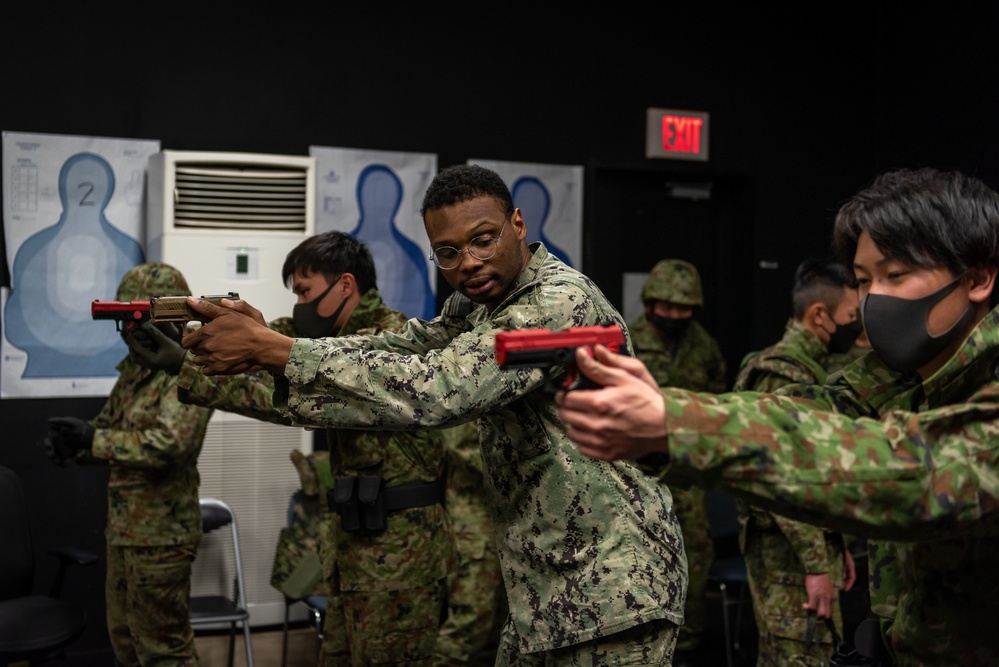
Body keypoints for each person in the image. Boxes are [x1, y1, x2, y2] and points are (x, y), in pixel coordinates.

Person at [181, 163, 687, 664]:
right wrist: (277, 343)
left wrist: (280, 353)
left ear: (518, 225)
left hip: (614, 585)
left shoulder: (556, 302)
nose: (467, 262)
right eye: (448, 252)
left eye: (483, 240)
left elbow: (438, 389)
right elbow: (406, 348)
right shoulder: (480, 305)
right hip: (550, 587)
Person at [555, 167, 999, 666]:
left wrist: (675, 422)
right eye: (862, 281)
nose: (872, 299)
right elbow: (812, 412)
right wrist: (663, 419)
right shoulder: (905, 376)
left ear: (978, 278)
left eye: (894, 276)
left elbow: (919, 473)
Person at [133, 231, 455, 665]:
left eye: (305, 291)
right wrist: (190, 338)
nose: (299, 304)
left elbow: (297, 400)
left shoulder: (388, 340)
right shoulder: (325, 340)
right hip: (355, 548)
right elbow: (265, 350)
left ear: (345, 286)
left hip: (401, 557)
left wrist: (186, 363)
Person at [44, 262, 212, 667]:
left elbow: (172, 444)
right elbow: (109, 429)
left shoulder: (186, 369)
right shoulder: (136, 371)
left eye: (136, 319)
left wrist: (94, 440)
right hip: (125, 532)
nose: (129, 332)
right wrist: (76, 444)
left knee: (163, 650)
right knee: (125, 643)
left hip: (162, 537)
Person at [731, 257, 861, 665]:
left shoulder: (808, 370)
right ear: (819, 315)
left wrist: (835, 545)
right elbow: (781, 479)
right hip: (787, 551)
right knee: (802, 656)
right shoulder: (783, 378)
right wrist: (817, 563)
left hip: (805, 547)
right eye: (852, 316)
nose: (859, 326)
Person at [628, 258, 726, 662]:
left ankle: (686, 647)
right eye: (666, 306)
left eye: (683, 308)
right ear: (650, 303)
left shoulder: (703, 346)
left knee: (697, 557)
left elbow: (720, 402)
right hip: (632, 478)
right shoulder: (625, 340)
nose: (674, 315)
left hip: (686, 475)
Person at [435, 421, 508, 666]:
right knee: (470, 620)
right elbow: (458, 445)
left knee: (499, 627)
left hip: (506, 518)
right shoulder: (464, 385)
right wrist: (515, 466)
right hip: (472, 518)